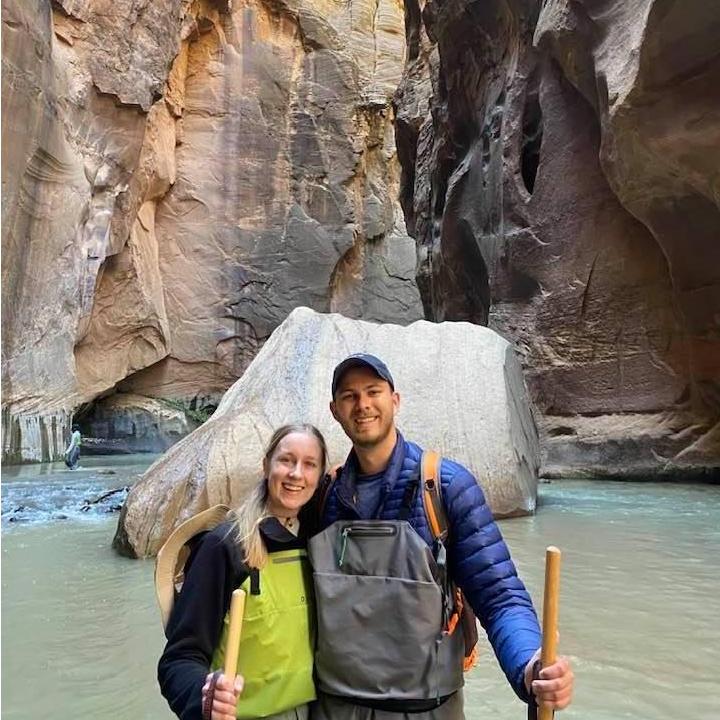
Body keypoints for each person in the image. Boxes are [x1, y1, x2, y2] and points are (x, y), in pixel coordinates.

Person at [308, 354, 574, 720]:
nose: (363, 405)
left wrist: (529, 666)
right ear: (335, 410)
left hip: (425, 711)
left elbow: (499, 596)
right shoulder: (324, 496)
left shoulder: (445, 488)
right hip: (333, 708)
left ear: (395, 400)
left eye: (373, 391)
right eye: (349, 396)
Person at [158, 424, 328, 720]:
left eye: (309, 464)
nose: (296, 474)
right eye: (286, 460)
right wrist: (205, 696)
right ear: (266, 466)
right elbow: (179, 659)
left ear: (320, 477)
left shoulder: (318, 543)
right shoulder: (224, 547)